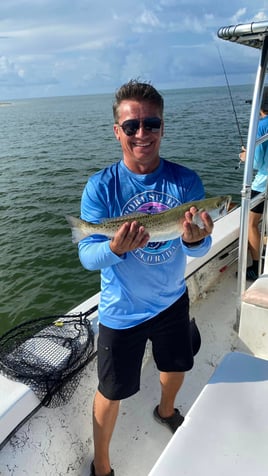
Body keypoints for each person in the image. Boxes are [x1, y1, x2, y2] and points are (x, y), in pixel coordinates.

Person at [78, 79, 214, 476]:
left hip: (172, 299)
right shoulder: (100, 187)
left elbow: (198, 247)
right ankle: (102, 466)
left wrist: (194, 239)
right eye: (132, 126)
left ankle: (165, 410)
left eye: (151, 124)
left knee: (177, 367)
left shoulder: (186, 182)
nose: (142, 134)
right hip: (122, 311)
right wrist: (116, 249)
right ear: (117, 131)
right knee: (111, 391)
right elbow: (88, 256)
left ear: (162, 128)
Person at [239, 86, 268, 281]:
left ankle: (256, 267)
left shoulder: (260, 126)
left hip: (263, 184)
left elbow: (256, 163)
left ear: (261, 108)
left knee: (251, 224)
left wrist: (244, 155)